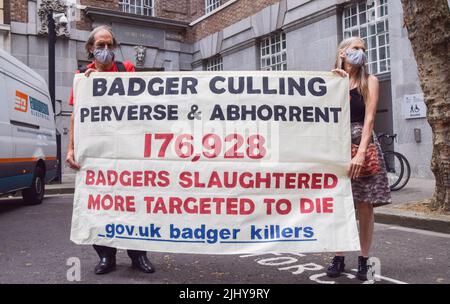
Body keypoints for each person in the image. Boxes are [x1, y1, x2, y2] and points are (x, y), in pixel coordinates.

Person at [66, 25, 155, 275]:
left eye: (109, 45)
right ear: (90, 49)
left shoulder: (125, 70)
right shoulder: (82, 77)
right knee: (100, 202)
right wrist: (70, 148)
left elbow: (139, 103)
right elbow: (76, 115)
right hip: (98, 150)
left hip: (127, 148)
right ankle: (106, 256)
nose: (106, 50)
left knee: (133, 203)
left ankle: (138, 255)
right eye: (100, 46)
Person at [327, 37, 392, 281]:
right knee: (337, 204)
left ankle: (364, 259)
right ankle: (339, 256)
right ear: (342, 52)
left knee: (364, 205)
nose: (361, 53)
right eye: (355, 48)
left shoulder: (370, 81)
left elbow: (370, 118)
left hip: (361, 143)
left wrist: (362, 151)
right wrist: (334, 84)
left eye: (363, 49)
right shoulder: (331, 81)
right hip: (335, 147)